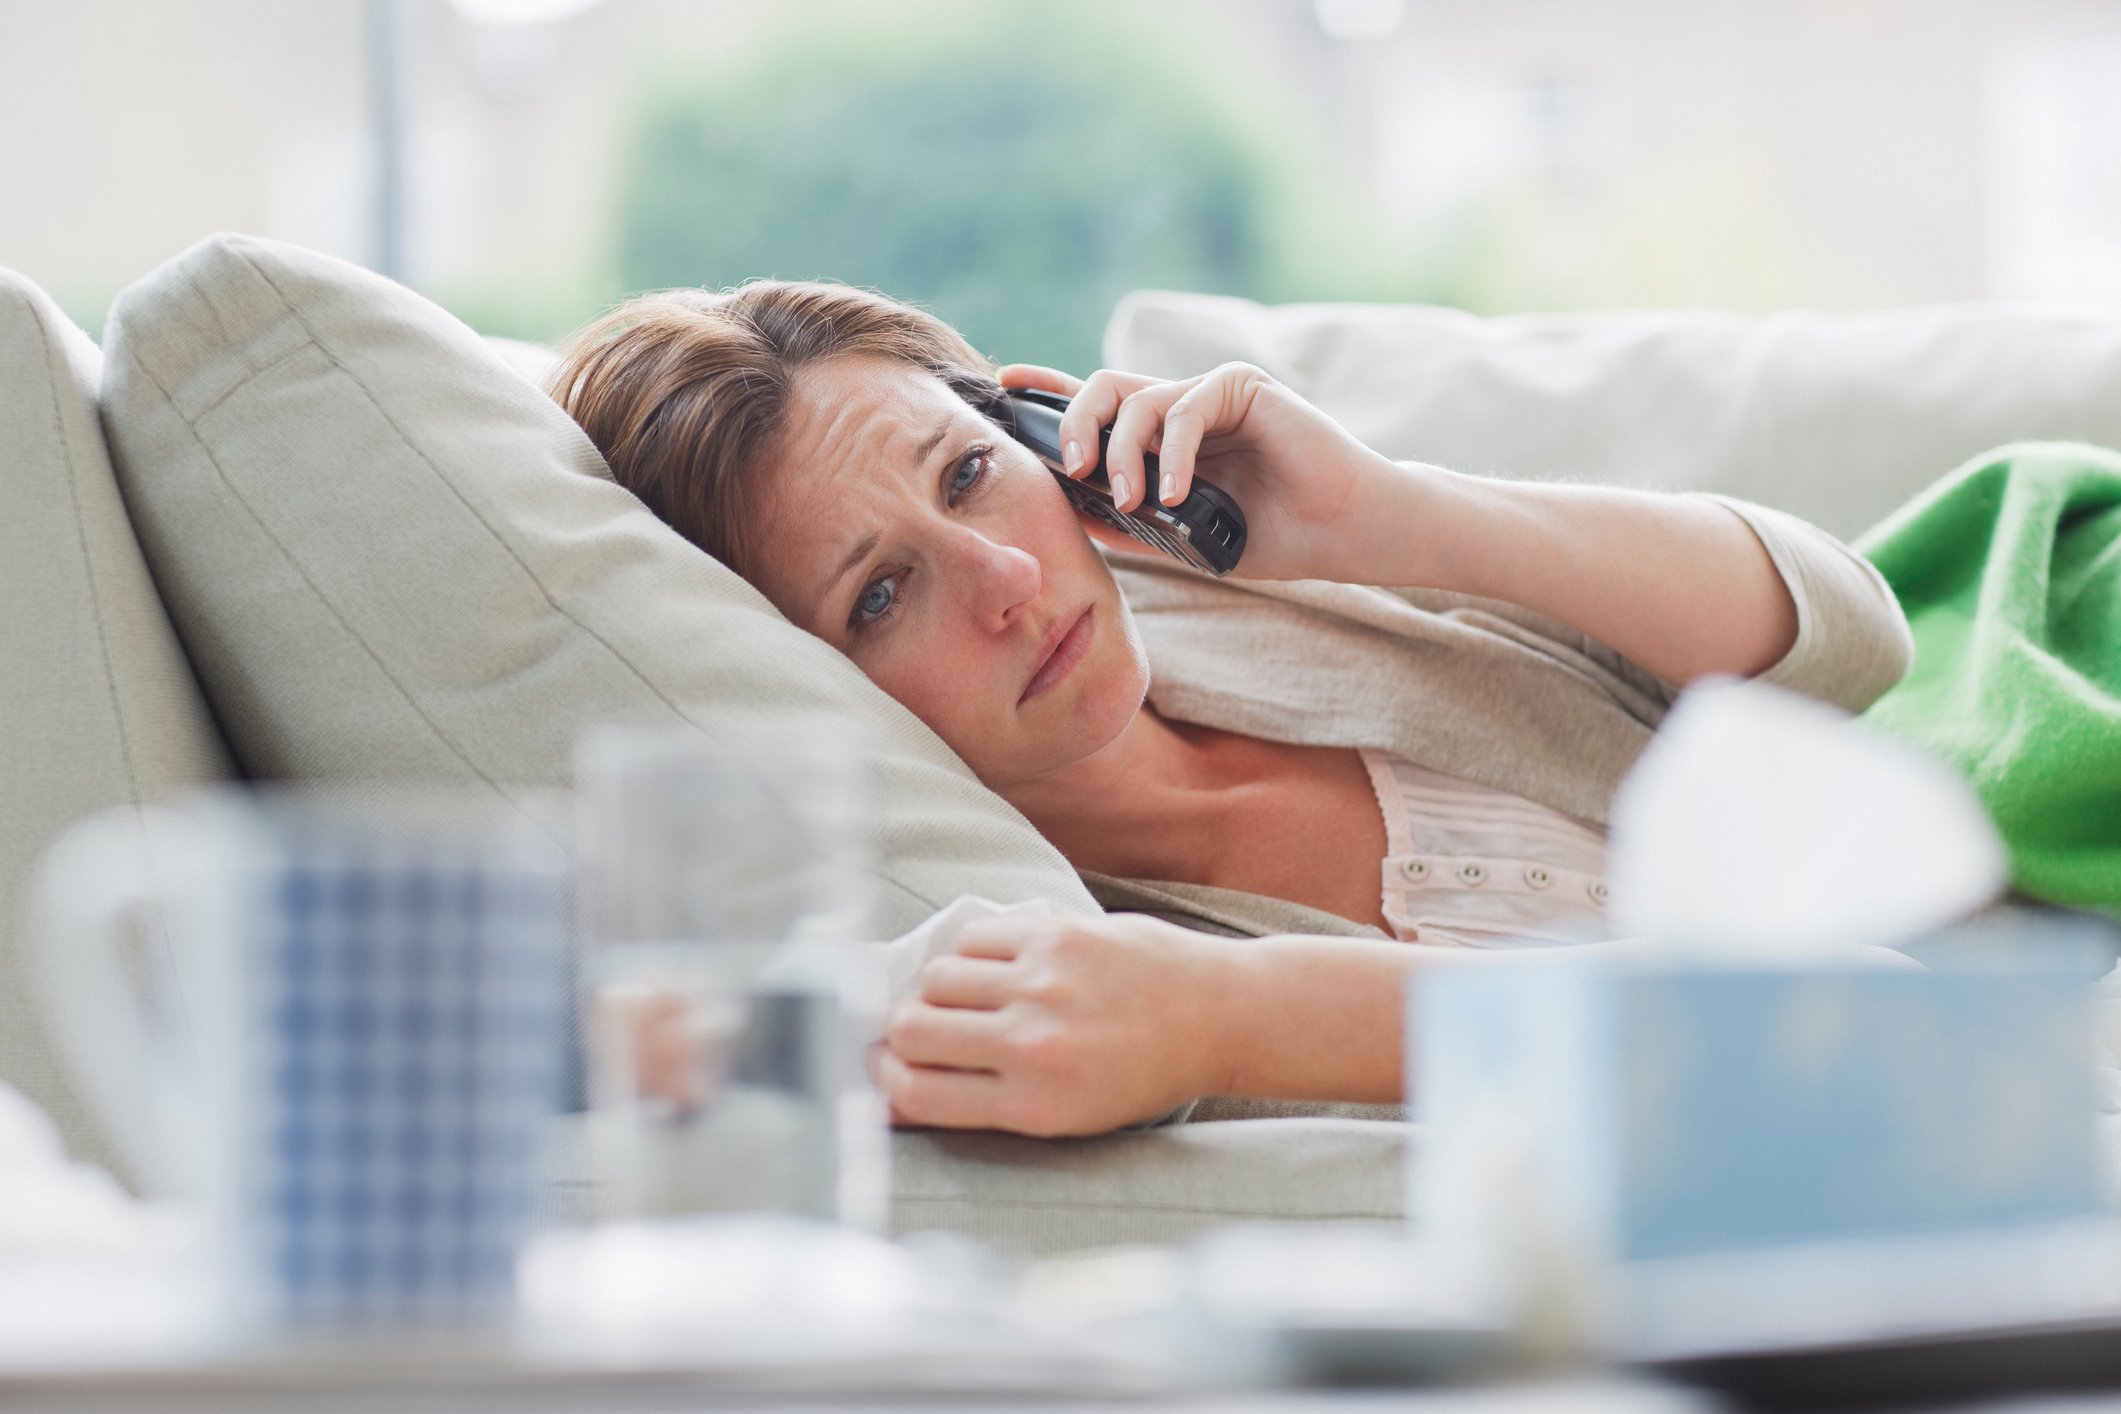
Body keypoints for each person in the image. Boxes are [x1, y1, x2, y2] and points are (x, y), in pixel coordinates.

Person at [550, 280, 1913, 1139]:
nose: (1006, 581)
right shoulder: (1050, 952)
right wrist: (1234, 1010)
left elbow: (1850, 639)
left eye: (967, 474)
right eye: (881, 596)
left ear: (1035, 432)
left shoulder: (1258, 584)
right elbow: (1832, 1022)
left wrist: (1396, 515)